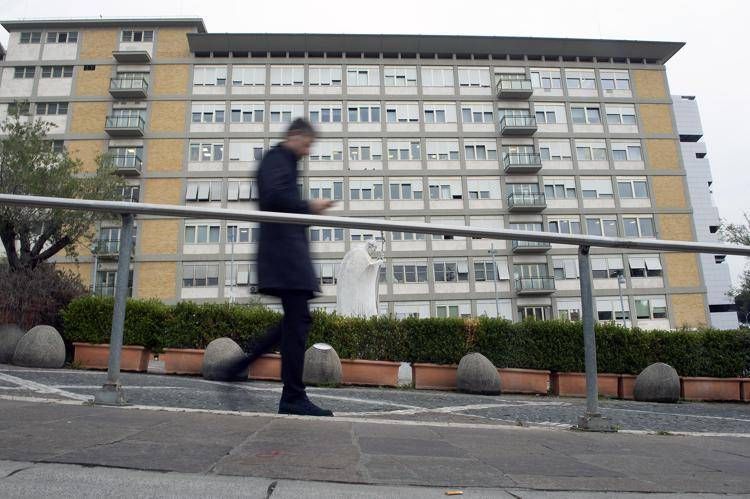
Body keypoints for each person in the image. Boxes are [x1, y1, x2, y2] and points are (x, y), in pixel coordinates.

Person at [232, 118, 334, 417]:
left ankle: (239, 368)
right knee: (297, 321)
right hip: (284, 256)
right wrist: (309, 207)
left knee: (295, 321)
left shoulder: (284, 160)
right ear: (294, 136)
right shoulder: (277, 159)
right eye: (306, 145)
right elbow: (275, 198)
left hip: (287, 255)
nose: (307, 151)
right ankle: (291, 396)